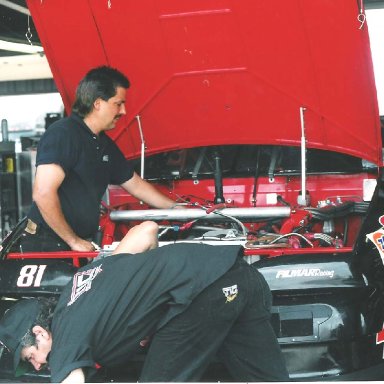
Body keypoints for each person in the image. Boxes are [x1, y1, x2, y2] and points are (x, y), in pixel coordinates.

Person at [0, 241, 289, 383]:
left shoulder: (65, 338)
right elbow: (146, 230)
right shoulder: (81, 284)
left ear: (39, 333)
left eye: (30, 358)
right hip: (240, 274)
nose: (37, 366)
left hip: (201, 294)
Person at [19, 65, 178, 253]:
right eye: (118, 103)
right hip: (47, 246)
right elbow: (43, 192)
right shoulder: (63, 134)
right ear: (98, 103)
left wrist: (177, 208)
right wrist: (73, 241)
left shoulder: (103, 143)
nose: (124, 111)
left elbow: (135, 184)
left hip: (79, 244)